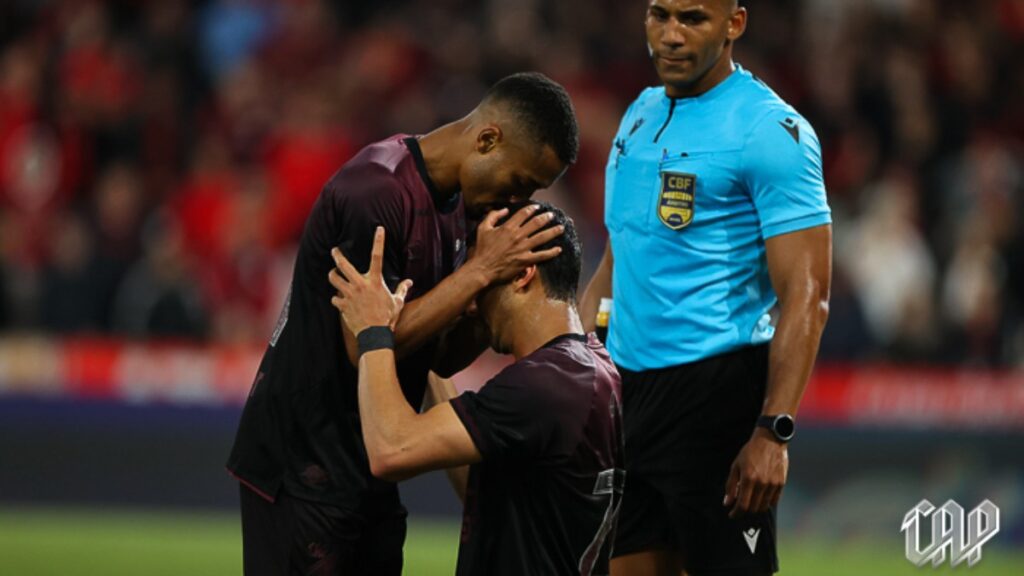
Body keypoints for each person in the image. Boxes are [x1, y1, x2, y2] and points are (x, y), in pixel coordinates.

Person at [226, 72, 580, 575]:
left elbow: (435, 357)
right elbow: (363, 343)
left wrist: (484, 306)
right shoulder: (374, 190)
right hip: (302, 469)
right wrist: (480, 270)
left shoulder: (459, 207)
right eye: (520, 182)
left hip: (366, 469)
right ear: (487, 140)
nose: (516, 201)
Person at [579, 1, 832, 575]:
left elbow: (807, 294)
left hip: (714, 397)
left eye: (692, 18)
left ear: (734, 24)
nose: (670, 35)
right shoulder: (640, 114)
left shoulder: (771, 131)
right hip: (627, 396)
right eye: (659, 14)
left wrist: (774, 431)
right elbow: (618, 256)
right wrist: (575, 366)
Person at [328, 202, 625, 575]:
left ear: (522, 274)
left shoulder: (545, 384)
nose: (470, 304)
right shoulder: (591, 367)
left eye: (482, 277)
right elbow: (490, 485)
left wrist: (374, 330)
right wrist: (419, 353)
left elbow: (391, 450)